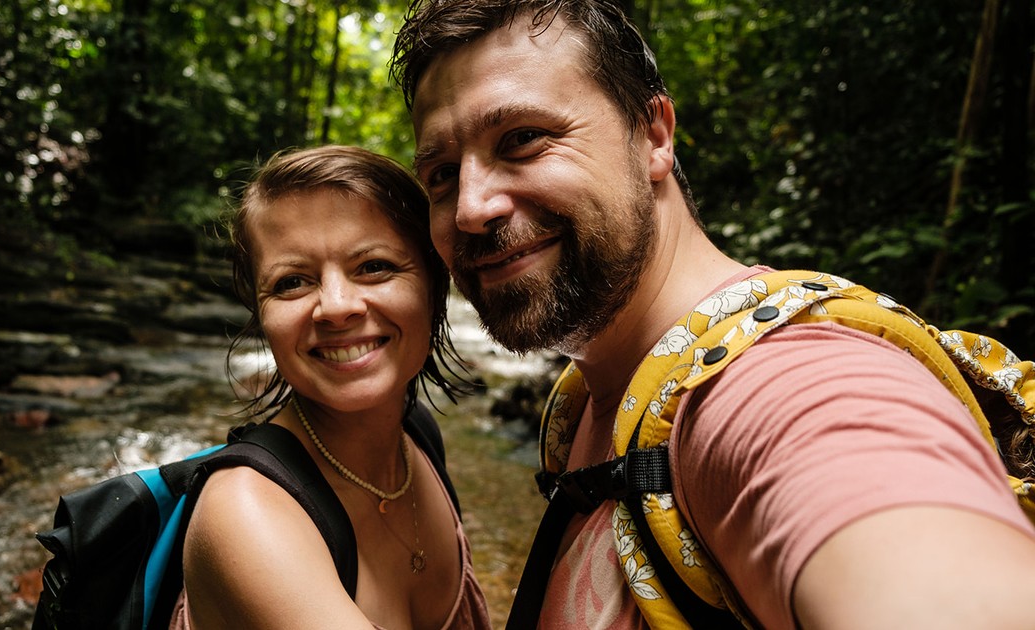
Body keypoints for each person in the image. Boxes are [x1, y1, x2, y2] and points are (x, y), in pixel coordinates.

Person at [389, 1, 1035, 628]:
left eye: (523, 139)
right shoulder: (590, 397)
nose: (471, 207)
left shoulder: (788, 384)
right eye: (442, 173)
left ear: (654, 136)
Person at [173, 145, 492, 629]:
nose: (337, 306)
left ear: (433, 283)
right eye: (291, 282)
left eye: (374, 266)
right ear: (261, 315)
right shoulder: (245, 514)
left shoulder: (419, 438)